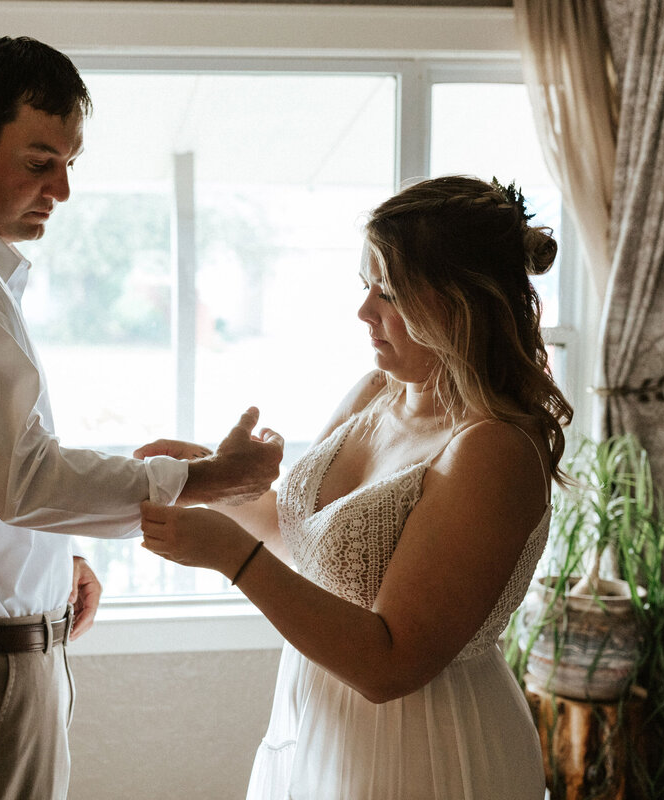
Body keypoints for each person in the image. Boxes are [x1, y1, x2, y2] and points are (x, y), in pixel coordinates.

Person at [0, 36, 283, 800]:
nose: (62, 190)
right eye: (39, 161)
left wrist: (54, 565)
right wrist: (203, 479)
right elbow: (23, 478)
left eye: (70, 165)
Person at [140, 175, 573, 799]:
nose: (365, 310)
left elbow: (390, 663)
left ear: (459, 302)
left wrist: (230, 557)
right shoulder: (377, 392)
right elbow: (307, 545)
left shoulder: (492, 449)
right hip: (321, 725)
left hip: (425, 748)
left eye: (389, 292)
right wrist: (213, 481)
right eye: (366, 286)